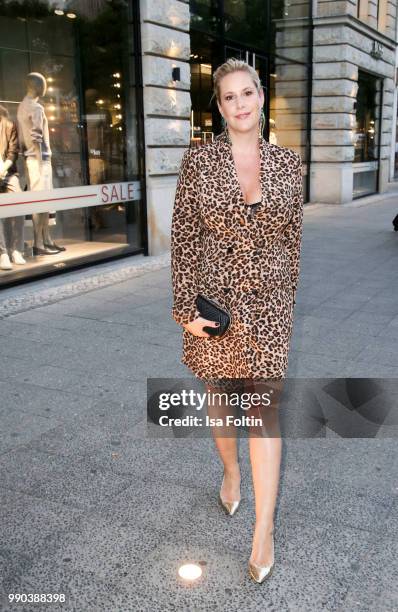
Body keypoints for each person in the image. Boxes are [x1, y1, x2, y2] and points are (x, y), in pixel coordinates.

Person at [170, 58, 304, 583]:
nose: (240, 103)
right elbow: (183, 239)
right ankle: (230, 473)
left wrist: (283, 304)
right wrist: (185, 311)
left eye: (247, 93)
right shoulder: (198, 163)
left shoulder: (289, 165)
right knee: (223, 406)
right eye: (229, 97)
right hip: (216, 306)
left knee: (262, 414)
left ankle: (263, 529)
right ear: (220, 106)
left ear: (261, 96)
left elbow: (293, 244)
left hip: (269, 307)